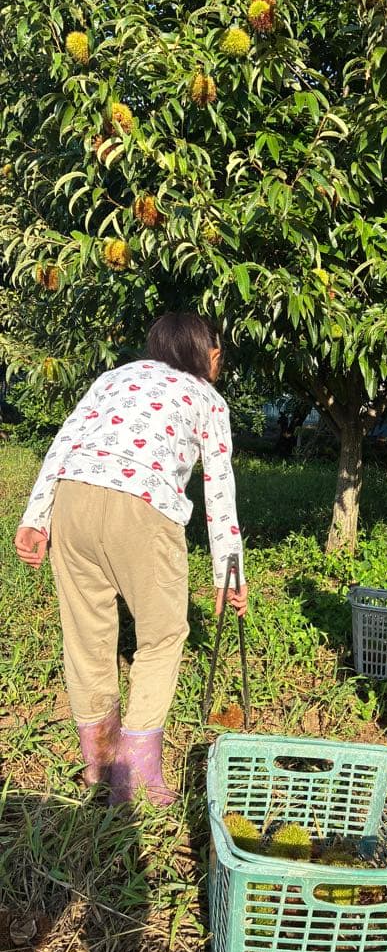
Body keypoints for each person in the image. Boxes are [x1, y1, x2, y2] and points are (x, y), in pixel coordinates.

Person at [13, 313, 247, 806]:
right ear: (208, 353)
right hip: (143, 505)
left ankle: (99, 762)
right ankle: (136, 779)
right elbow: (219, 488)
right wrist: (230, 573)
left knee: (86, 633)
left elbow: (63, 444)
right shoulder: (207, 397)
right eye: (217, 351)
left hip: (73, 497)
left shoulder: (113, 377)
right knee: (162, 635)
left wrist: (36, 516)